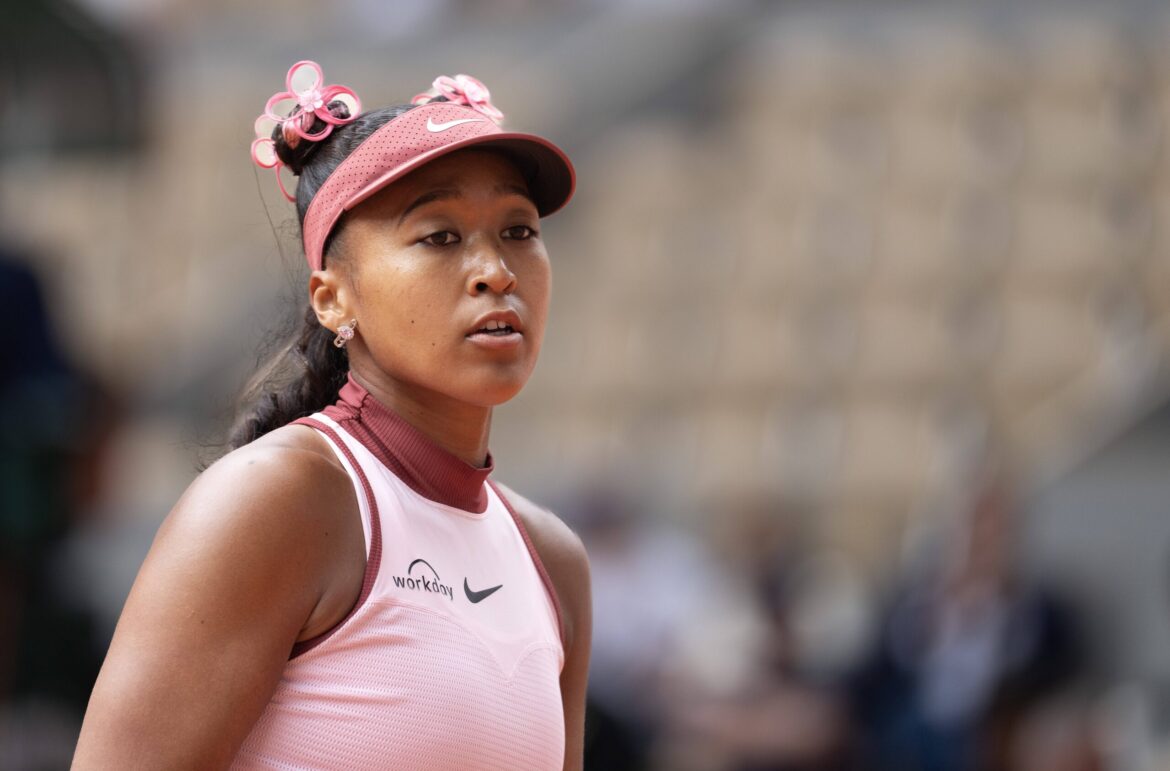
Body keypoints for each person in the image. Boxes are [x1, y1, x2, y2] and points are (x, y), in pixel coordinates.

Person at [72, 62, 591, 770]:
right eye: (439, 235)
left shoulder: (553, 560)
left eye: (519, 230)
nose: (495, 270)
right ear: (332, 298)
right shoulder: (276, 498)